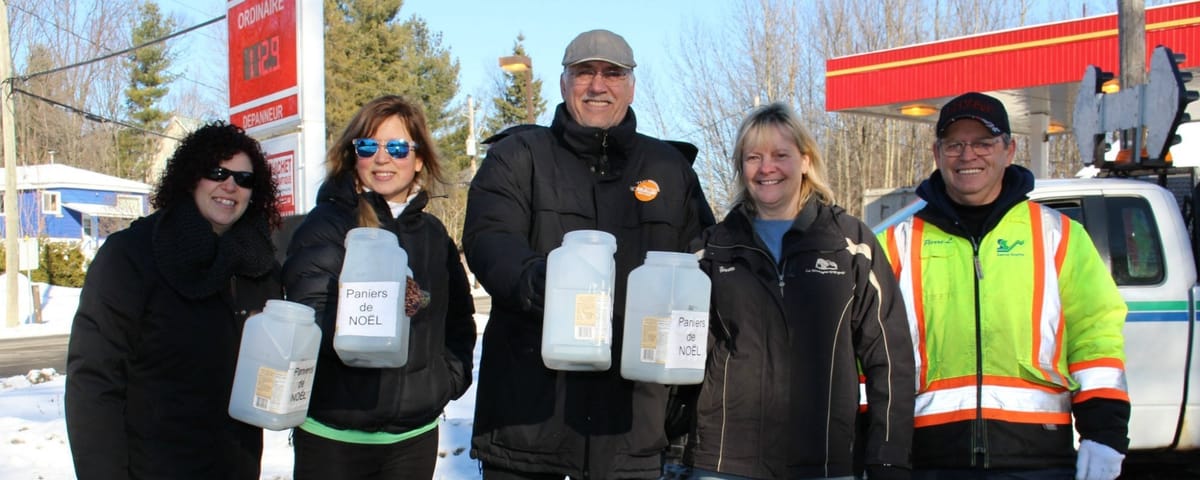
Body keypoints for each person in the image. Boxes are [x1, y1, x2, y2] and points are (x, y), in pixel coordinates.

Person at [464, 29, 716, 479]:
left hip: (632, 429)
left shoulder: (669, 169)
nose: (598, 85)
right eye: (584, 72)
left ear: (631, 86)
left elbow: (703, 266)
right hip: (527, 425)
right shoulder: (518, 157)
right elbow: (490, 239)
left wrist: (682, 397)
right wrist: (541, 281)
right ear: (564, 83)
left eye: (612, 73)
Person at [876, 92, 1130, 480]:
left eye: (983, 143)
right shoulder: (895, 244)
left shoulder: (1059, 236)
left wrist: (1104, 434)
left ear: (1009, 151)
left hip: (1040, 460)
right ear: (937, 153)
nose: (968, 155)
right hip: (928, 460)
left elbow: (1095, 341)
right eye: (954, 144)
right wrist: (872, 445)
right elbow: (868, 355)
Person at [681, 102, 914, 480]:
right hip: (725, 463)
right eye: (753, 157)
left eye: (780, 155)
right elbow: (681, 356)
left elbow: (889, 357)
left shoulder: (851, 245)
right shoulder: (711, 249)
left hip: (824, 461)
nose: (766, 168)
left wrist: (888, 456)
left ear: (805, 161)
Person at [65, 121, 283, 479]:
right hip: (151, 466)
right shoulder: (132, 255)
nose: (230, 185)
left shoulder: (259, 266)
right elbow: (94, 380)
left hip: (234, 465)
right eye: (217, 173)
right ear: (191, 177)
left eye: (244, 179)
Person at [281, 94, 476, 479]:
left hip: (414, 438)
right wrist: (371, 311)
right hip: (335, 436)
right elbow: (309, 318)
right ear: (354, 155)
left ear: (418, 159)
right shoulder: (328, 225)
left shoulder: (434, 235)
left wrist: (445, 381)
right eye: (369, 147)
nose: (382, 158)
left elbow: (458, 320)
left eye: (398, 148)